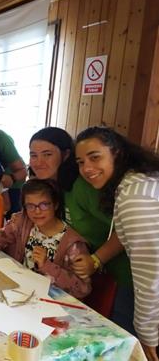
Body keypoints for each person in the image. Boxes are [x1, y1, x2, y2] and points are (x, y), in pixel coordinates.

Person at [29, 127, 132, 326]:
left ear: (66, 154)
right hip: (89, 276)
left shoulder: (81, 187)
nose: (38, 162)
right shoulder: (51, 186)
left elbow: (125, 228)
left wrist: (95, 260)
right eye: (33, 155)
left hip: (124, 274)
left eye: (47, 154)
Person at [75, 127, 159, 360]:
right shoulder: (135, 182)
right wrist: (96, 259)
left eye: (95, 157)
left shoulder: (136, 197)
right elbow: (123, 234)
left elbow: (150, 275)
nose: (87, 169)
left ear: (117, 153)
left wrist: (147, 334)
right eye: (81, 162)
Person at [0, 179, 92, 299]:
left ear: (55, 204)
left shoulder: (73, 245)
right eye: (30, 206)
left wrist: (47, 266)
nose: (37, 211)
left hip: (47, 304)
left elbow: (82, 289)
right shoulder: (22, 222)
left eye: (43, 205)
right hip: (18, 292)